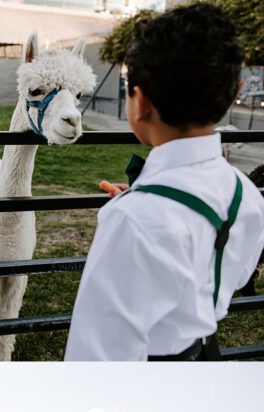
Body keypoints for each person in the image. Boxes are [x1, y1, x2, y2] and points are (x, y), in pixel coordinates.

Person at [65, 3, 264, 360]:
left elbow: (95, 357)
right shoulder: (246, 194)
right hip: (205, 359)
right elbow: (228, 274)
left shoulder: (132, 221)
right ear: (234, 88)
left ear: (140, 102)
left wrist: (136, 210)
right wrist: (141, 200)